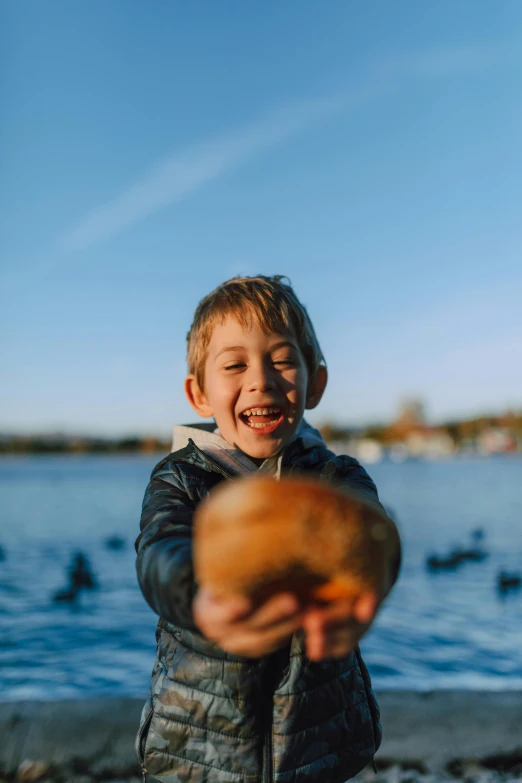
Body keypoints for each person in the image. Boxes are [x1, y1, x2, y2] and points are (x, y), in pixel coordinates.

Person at [135, 275, 400, 783]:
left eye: (281, 360)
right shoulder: (181, 478)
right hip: (197, 746)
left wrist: (370, 581)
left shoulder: (335, 477)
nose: (261, 379)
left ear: (314, 382)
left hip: (320, 743)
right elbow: (158, 553)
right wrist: (200, 598)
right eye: (234, 364)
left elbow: (376, 536)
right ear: (199, 394)